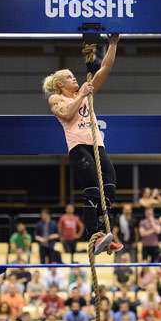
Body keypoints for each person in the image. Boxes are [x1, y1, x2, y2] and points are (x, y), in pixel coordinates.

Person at [43, 33, 123, 255]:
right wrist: (82, 95)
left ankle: (105, 233)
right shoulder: (56, 98)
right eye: (69, 77)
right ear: (60, 84)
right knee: (92, 192)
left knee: (110, 188)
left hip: (97, 146)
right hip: (79, 148)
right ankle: (93, 237)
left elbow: (103, 70)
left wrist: (113, 44)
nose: (74, 79)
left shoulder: (84, 93)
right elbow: (68, 115)